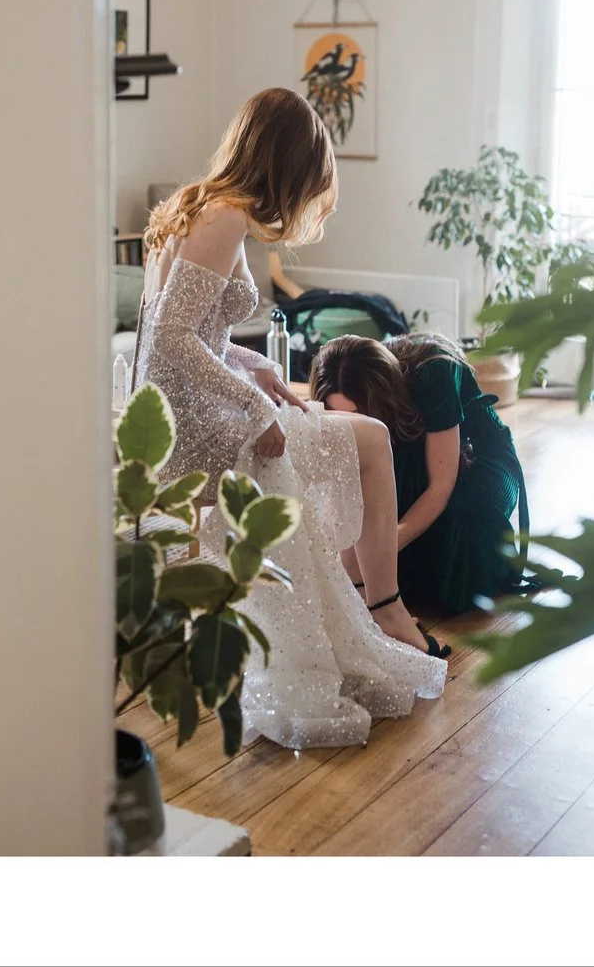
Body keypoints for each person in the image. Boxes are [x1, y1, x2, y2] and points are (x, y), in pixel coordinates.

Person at [132, 87, 445, 750]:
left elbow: (194, 336)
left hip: (193, 409)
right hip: (200, 430)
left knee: (359, 442)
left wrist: (259, 370)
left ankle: (362, 599)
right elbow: (170, 343)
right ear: (286, 165)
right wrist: (252, 408)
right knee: (372, 440)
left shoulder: (206, 207)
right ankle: (383, 608)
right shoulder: (222, 219)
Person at [309, 333, 534, 617]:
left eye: (359, 414)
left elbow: (440, 487)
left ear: (380, 399)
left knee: (462, 536)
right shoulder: (340, 383)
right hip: (404, 448)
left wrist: (384, 547)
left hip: (476, 454)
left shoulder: (432, 374)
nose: (353, 425)